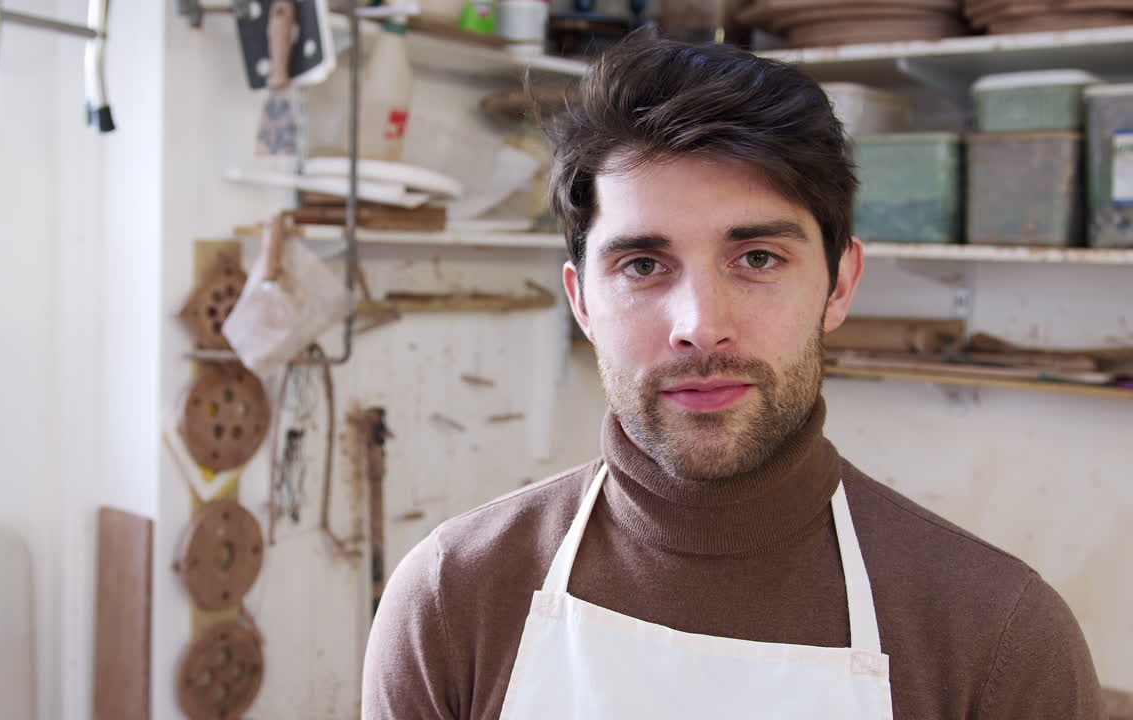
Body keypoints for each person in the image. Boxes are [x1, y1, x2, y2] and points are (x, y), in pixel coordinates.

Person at [361, 36, 1102, 719]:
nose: (700, 324)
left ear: (839, 285)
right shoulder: (452, 596)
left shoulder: (1000, 641)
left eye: (757, 258)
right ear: (582, 301)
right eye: (643, 265)